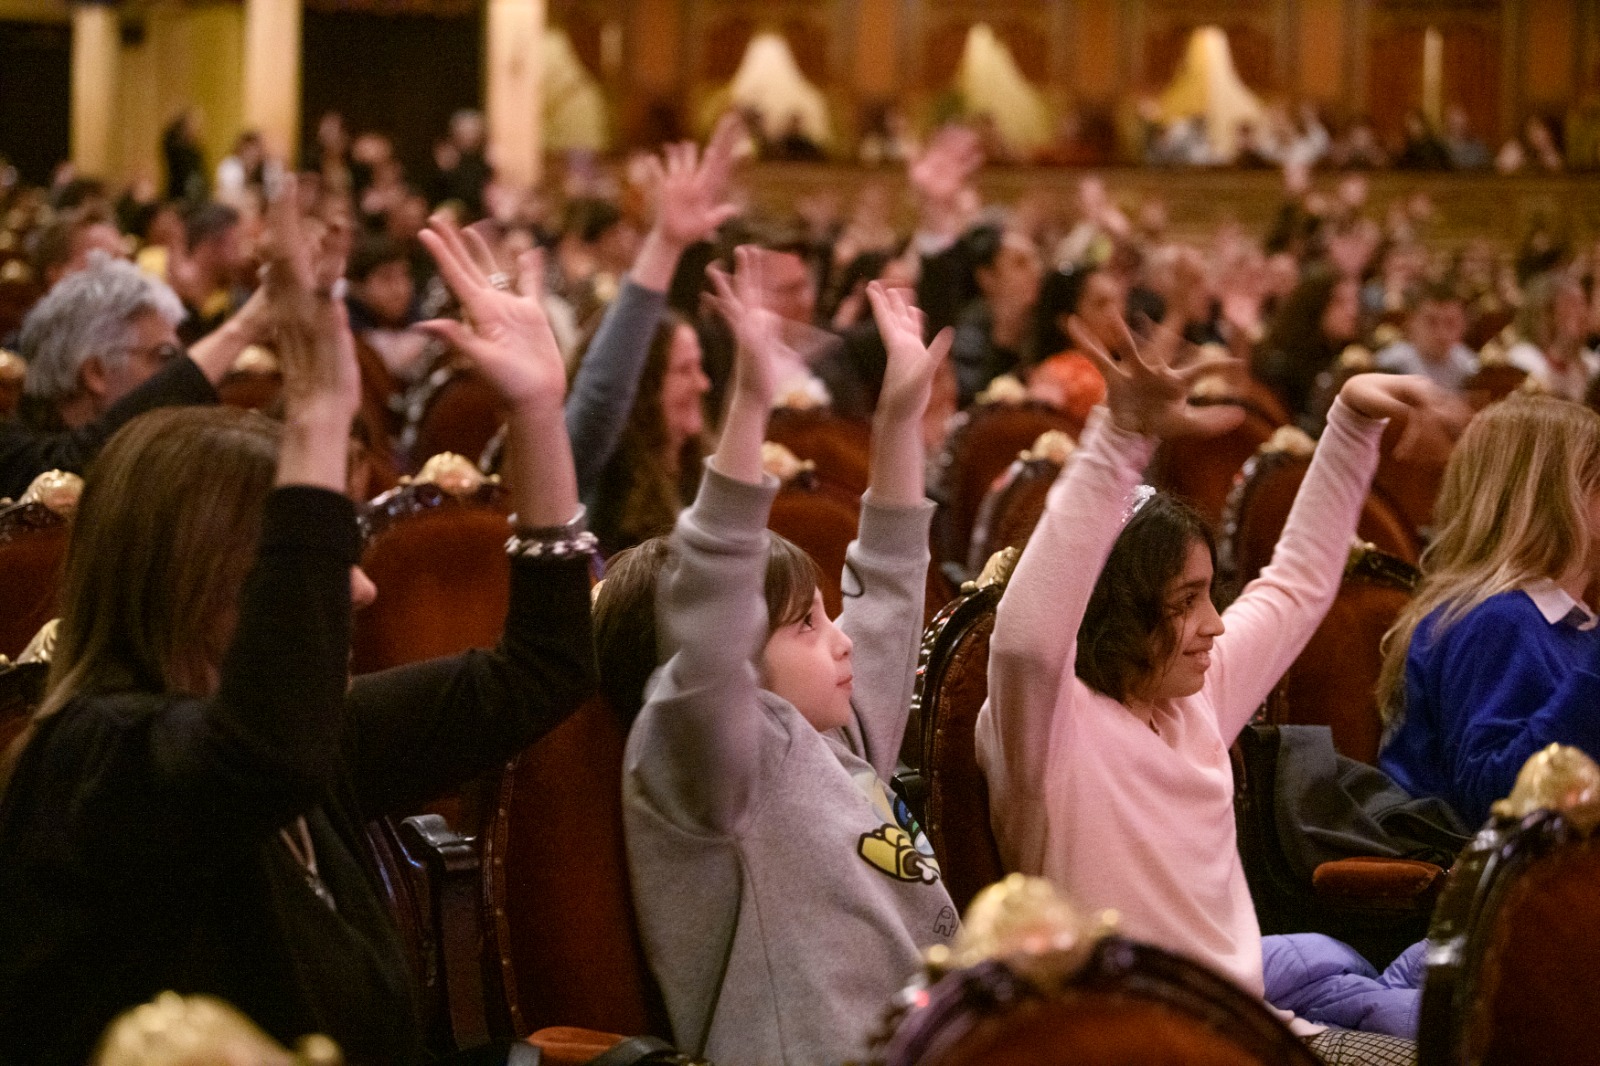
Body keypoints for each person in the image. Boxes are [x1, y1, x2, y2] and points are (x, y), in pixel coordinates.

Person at [0, 187, 597, 1065]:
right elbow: (258, 753)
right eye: (308, 557)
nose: (357, 592)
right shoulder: (94, 763)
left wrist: (538, 413)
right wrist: (317, 408)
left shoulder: (320, 741)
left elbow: (542, 669)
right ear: (191, 575)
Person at [976, 309, 1458, 1060]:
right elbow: (1028, 640)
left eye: (1210, 593)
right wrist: (1118, 438)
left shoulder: (1190, 696)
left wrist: (1352, 419)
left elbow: (1297, 581)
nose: (1215, 624)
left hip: (1256, 1028)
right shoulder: (1052, 728)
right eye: (1182, 603)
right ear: (1117, 616)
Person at [609, 263, 958, 1064]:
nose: (841, 640)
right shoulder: (711, 772)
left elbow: (893, 586)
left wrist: (897, 420)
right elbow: (708, 627)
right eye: (805, 626)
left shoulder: (835, 736)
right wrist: (749, 406)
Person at [1378, 395, 1600, 827]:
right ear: (1551, 497)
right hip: (1508, 886)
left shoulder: (1573, 624)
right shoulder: (1496, 621)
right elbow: (1492, 798)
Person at [1, 256, 266, 500]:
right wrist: (244, 327)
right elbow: (76, 465)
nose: (171, 377)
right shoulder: (14, 452)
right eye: (165, 356)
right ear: (97, 373)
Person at [1504, 272, 1599, 402]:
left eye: (1582, 303)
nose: (1582, 313)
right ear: (1546, 315)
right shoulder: (1522, 361)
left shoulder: (1591, 364)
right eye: (1570, 305)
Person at [1375, 282, 1479, 393]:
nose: (1441, 333)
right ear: (1411, 323)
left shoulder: (1470, 367)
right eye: (1431, 322)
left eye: (1450, 323)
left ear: (1463, 325)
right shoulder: (1389, 364)